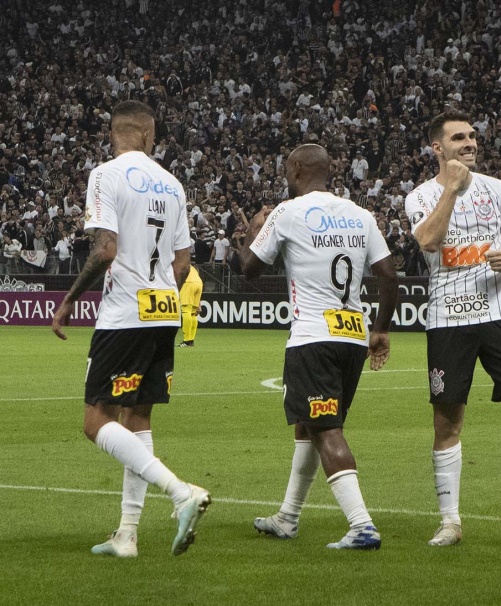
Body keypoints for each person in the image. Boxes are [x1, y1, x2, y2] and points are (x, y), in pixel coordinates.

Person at [50, 100, 211, 558]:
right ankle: (127, 534)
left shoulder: (105, 174)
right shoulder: (173, 184)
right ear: (145, 133)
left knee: (95, 420)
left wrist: (67, 301)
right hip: (164, 311)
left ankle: (180, 492)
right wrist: (161, 292)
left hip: (124, 314)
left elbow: (104, 250)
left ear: (115, 133)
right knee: (137, 417)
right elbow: (182, 263)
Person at [242, 144, 398, 550]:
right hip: (351, 335)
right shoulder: (360, 215)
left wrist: (252, 229)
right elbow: (388, 274)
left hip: (312, 337)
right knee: (308, 423)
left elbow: (249, 270)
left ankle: (362, 524)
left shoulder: (287, 212)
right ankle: (288, 517)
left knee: (326, 428)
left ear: (295, 169)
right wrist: (379, 330)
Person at [405, 111, 501, 548]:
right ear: (437, 149)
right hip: (449, 319)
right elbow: (428, 241)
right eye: (458, 138)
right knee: (447, 423)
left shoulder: (496, 189)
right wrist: (451, 188)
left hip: (500, 312)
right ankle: (450, 521)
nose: (469, 143)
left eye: (472, 137)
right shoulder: (421, 195)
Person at [178, 264, 203, 347]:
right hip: (199, 283)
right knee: (193, 312)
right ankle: (191, 340)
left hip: (188, 283)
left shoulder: (176, 263)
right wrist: (199, 303)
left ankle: (186, 341)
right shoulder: (191, 267)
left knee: (186, 311)